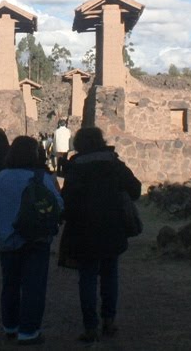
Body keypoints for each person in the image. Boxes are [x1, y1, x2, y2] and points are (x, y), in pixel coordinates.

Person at [58, 126, 141, 343]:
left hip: (83, 230)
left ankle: (90, 326)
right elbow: (135, 189)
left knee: (87, 278)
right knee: (110, 275)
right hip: (112, 227)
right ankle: (109, 320)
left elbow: (66, 201)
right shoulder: (113, 163)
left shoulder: (76, 166)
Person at [0, 135, 64, 345]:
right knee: (34, 286)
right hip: (36, 238)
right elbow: (58, 204)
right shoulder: (41, 177)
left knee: (10, 284)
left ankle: (10, 326)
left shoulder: (2, 177)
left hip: (8, 239)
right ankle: (29, 330)